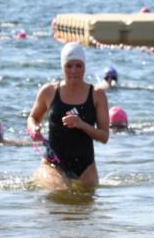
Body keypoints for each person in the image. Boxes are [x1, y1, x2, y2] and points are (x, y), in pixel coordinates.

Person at [27, 42, 109, 192]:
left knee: (87, 208)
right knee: (60, 192)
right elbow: (32, 118)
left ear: (84, 66)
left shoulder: (97, 95)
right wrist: (34, 128)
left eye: (79, 65)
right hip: (53, 164)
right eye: (69, 66)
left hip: (86, 166)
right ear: (62, 67)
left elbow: (104, 136)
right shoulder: (49, 91)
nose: (74, 71)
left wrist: (81, 124)